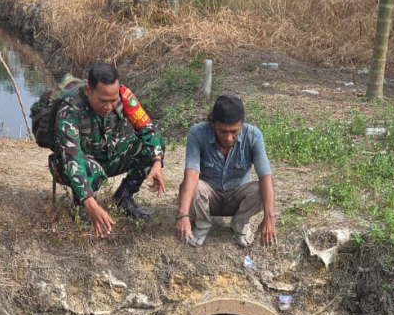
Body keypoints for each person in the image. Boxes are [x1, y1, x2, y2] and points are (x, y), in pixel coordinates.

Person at [50, 63, 166, 237]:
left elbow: (150, 131)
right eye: (103, 101)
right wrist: (90, 202)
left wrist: (156, 161)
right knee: (85, 166)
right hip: (73, 165)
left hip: (106, 155)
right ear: (88, 91)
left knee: (152, 147)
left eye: (113, 100)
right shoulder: (70, 110)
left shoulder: (124, 96)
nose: (109, 106)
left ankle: (124, 198)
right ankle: (81, 205)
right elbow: (72, 158)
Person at [175, 95, 276, 247]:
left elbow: (265, 176)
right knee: (192, 187)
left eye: (234, 131)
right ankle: (202, 225)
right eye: (222, 131)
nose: (228, 138)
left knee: (261, 190)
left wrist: (269, 217)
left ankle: (240, 223)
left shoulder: (254, 136)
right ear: (212, 123)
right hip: (208, 199)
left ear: (242, 124)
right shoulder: (197, 133)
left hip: (237, 199)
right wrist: (182, 215)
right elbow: (192, 173)